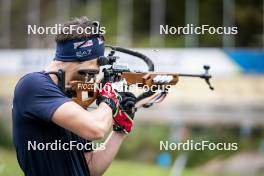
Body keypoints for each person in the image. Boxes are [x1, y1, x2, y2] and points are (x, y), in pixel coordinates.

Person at [12, 16, 136, 176]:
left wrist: (120, 130)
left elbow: (90, 167)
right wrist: (110, 97)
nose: (90, 79)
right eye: (89, 72)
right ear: (77, 59)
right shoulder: (33, 85)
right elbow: (96, 129)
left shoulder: (73, 101)